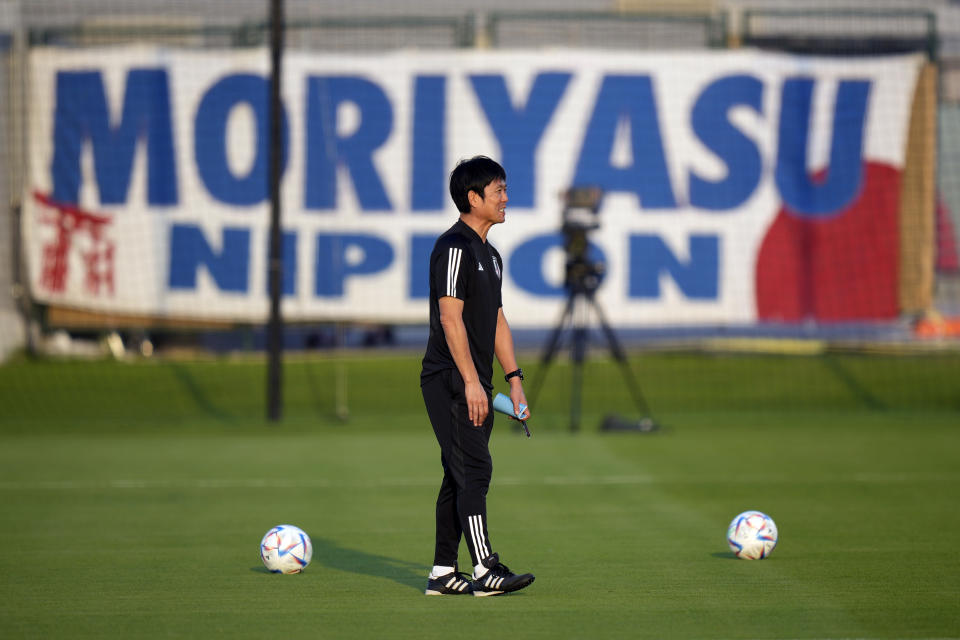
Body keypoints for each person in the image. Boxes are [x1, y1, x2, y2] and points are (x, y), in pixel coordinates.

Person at [420, 156, 535, 597]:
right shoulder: (453, 247)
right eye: (498, 190)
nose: (506, 198)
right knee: (474, 469)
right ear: (473, 198)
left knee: (459, 474)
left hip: (475, 380)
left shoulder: (492, 255)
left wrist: (514, 379)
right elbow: (451, 320)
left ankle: (443, 574)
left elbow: (497, 321)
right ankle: (485, 568)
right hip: (450, 377)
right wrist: (470, 380)